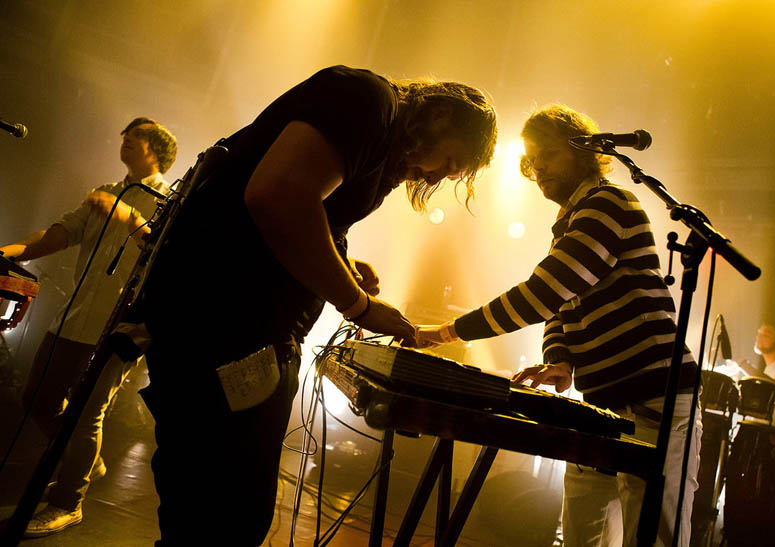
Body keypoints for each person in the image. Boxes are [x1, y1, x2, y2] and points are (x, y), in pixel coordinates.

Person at [135, 65, 496, 546]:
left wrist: (345, 265)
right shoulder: (365, 101)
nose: (440, 175)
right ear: (439, 114)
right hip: (225, 322)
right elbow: (278, 194)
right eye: (452, 159)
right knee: (222, 510)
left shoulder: (384, 145)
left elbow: (318, 213)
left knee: (217, 507)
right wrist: (358, 305)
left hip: (239, 326)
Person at [417, 104, 701, 546]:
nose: (537, 167)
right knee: (579, 536)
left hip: (654, 396)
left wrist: (447, 332)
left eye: (546, 153)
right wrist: (561, 361)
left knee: (653, 539)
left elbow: (547, 291)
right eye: (531, 159)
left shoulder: (607, 202)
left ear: (582, 150)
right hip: (603, 404)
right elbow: (560, 309)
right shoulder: (569, 222)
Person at [0, 117, 177, 537]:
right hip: (73, 316)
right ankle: (84, 462)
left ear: (158, 150)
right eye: (125, 136)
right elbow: (61, 234)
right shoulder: (109, 192)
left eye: (137, 136)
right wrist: (8, 252)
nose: (126, 140)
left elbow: (163, 252)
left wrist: (129, 216)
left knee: (87, 416)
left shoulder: (172, 202)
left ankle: (68, 502)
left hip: (120, 327)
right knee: (37, 398)